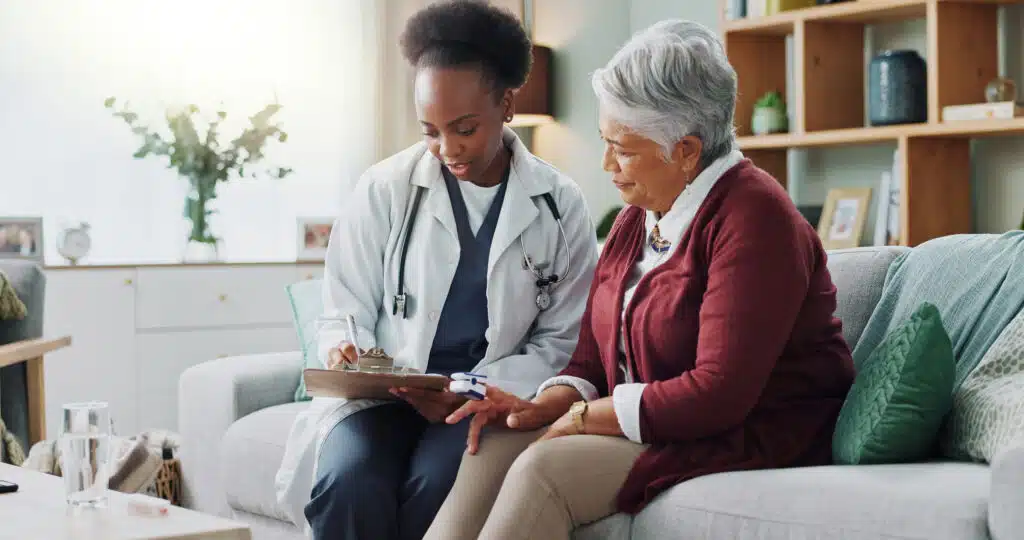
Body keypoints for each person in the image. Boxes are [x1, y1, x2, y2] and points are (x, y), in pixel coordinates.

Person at [425, 19, 856, 540]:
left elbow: (717, 395)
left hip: (749, 430)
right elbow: (589, 358)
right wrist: (543, 406)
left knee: (546, 470)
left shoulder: (755, 217)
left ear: (688, 151)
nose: (607, 164)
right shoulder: (637, 215)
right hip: (650, 422)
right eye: (606, 142)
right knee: (493, 444)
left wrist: (585, 418)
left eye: (624, 148)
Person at [273, 2, 599, 539]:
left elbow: (563, 338)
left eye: (464, 128)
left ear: (507, 104)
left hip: (478, 399)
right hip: (384, 395)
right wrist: (345, 350)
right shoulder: (384, 189)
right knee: (350, 481)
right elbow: (343, 309)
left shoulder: (560, 205)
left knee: (438, 484)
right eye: (432, 130)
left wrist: (477, 387)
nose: (448, 149)